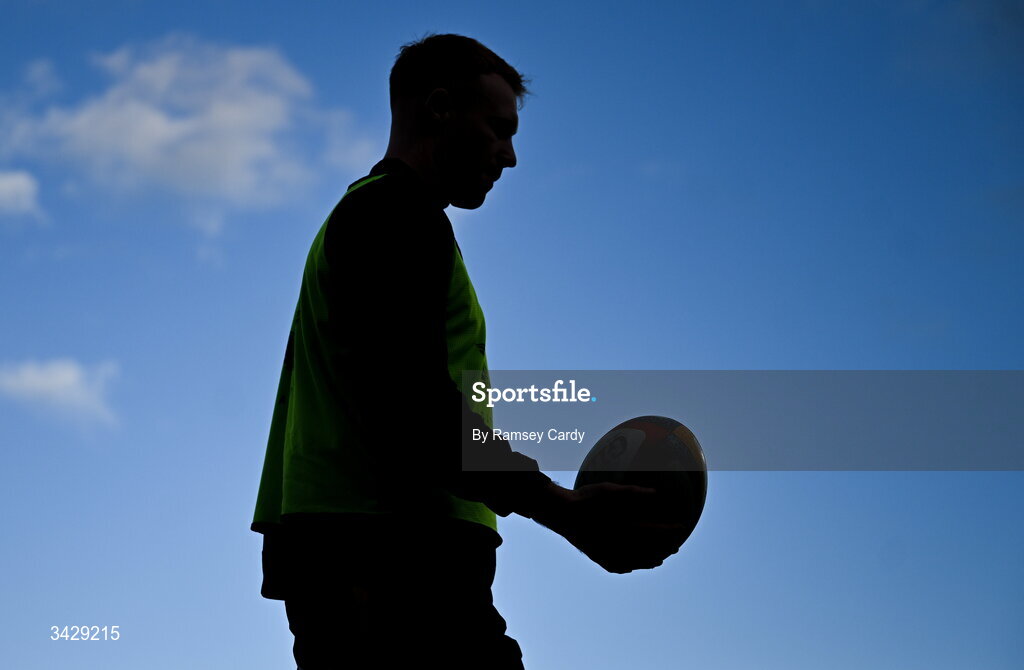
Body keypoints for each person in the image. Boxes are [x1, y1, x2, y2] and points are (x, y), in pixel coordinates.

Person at [251, 33, 685, 669]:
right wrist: (563, 509)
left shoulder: (369, 218)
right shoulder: (396, 215)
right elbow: (418, 409)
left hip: (366, 553)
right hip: (391, 555)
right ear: (438, 107)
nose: (509, 156)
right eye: (498, 128)